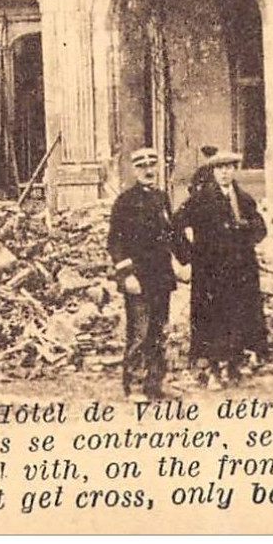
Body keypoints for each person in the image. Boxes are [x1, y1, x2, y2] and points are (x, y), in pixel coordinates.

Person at [173, 149, 269, 388]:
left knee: (239, 317)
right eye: (220, 168)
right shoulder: (200, 199)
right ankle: (213, 370)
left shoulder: (244, 198)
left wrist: (247, 232)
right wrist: (188, 255)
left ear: (234, 170)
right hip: (211, 272)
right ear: (213, 171)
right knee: (213, 319)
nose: (225, 173)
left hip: (240, 270)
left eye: (229, 168)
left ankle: (234, 366)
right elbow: (175, 226)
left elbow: (260, 227)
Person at [107, 147, 181, 402]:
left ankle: (154, 384)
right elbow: (115, 242)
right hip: (138, 278)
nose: (149, 170)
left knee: (159, 332)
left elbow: (171, 235)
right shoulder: (125, 202)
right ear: (134, 170)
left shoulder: (162, 198)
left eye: (152, 165)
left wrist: (185, 262)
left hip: (161, 276)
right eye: (142, 166)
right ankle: (135, 385)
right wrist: (126, 275)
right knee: (140, 332)